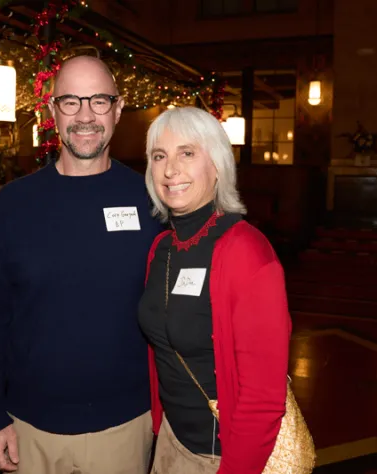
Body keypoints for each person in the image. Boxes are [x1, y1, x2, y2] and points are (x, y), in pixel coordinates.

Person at [0, 55, 161, 474]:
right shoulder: (11, 206)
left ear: (120, 108)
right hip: (27, 431)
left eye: (99, 101)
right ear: (53, 111)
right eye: (71, 101)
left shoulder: (152, 202)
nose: (86, 115)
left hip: (126, 428)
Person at [138, 106, 292, 474]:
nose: (170, 169)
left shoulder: (247, 253)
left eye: (187, 153)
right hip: (172, 441)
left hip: (223, 456)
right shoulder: (161, 248)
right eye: (159, 156)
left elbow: (263, 398)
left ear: (218, 165)